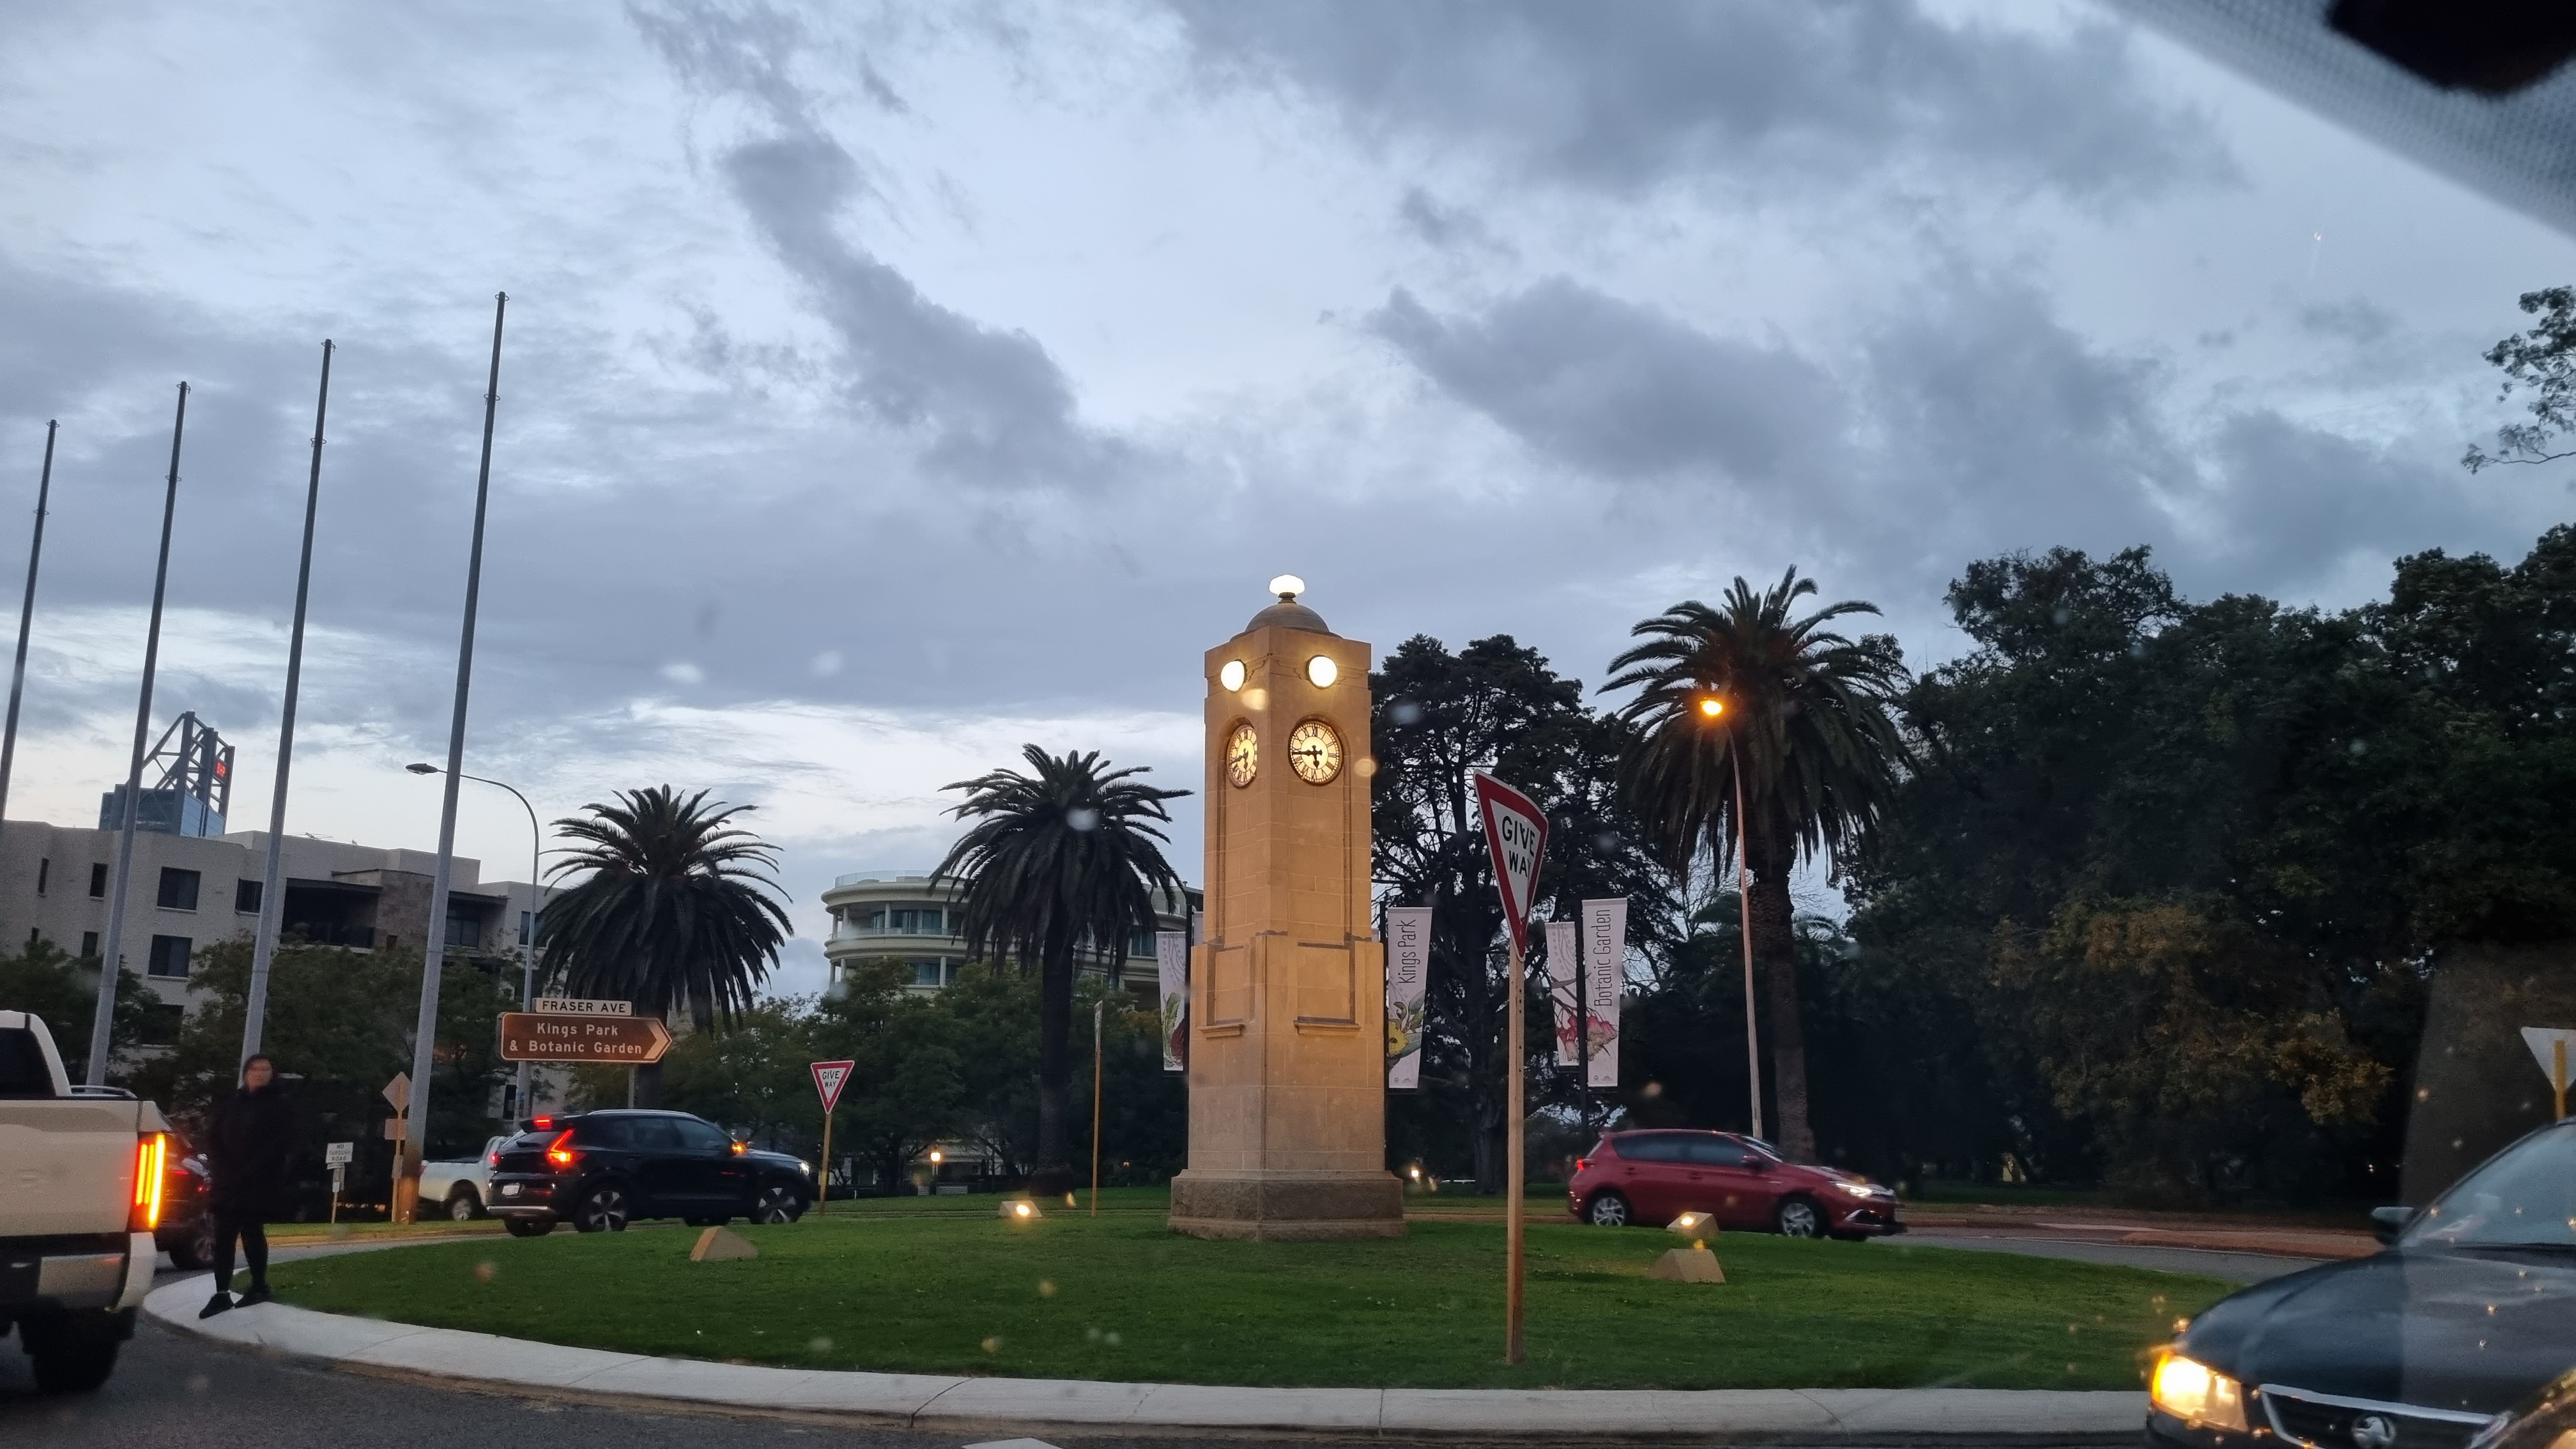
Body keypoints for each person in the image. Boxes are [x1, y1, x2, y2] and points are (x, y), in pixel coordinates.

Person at [201, 1054, 295, 1317]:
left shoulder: (279, 1105)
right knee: (223, 1237)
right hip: (226, 1182)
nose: (260, 1074)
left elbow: (280, 1145)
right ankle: (221, 1293)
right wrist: (221, 1169)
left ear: (272, 1074)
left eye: (266, 1069)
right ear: (246, 1073)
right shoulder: (233, 1103)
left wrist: (250, 1171)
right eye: (255, 1069)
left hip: (258, 1183)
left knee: (252, 1232)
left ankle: (259, 1285)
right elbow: (214, 1137)